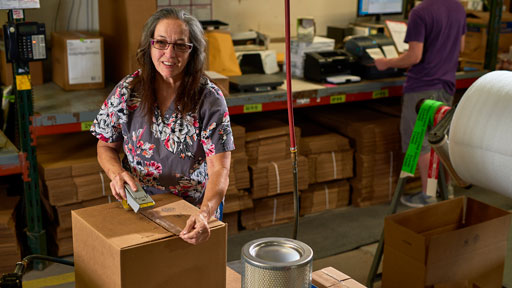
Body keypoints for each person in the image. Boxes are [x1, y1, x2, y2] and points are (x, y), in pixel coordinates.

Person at [90, 8, 234, 245]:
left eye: (180, 45)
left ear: (192, 51)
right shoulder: (128, 90)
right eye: (161, 43)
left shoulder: (209, 98)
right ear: (150, 45)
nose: (169, 53)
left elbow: (220, 169)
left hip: (193, 210)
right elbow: (105, 146)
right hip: (139, 204)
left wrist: (205, 212)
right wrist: (117, 174)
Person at [374, 0, 466, 207]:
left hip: (422, 87)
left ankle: (428, 195)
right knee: (441, 139)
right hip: (446, 85)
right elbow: (461, 47)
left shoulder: (421, 12)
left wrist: (386, 63)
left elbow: (414, 57)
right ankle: (445, 190)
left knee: (422, 143)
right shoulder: (458, 7)